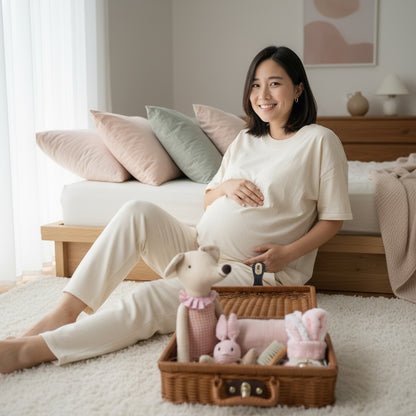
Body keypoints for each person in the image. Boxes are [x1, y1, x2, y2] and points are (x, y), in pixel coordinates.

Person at [0, 46, 352, 373]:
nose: (263, 95)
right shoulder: (246, 140)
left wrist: (288, 254)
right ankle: (65, 312)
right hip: (201, 250)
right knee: (136, 209)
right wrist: (226, 186)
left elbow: (332, 219)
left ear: (298, 90)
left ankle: (30, 351)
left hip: (253, 270)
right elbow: (208, 199)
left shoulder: (319, 141)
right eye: (255, 85)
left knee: (151, 296)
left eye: (275, 84)